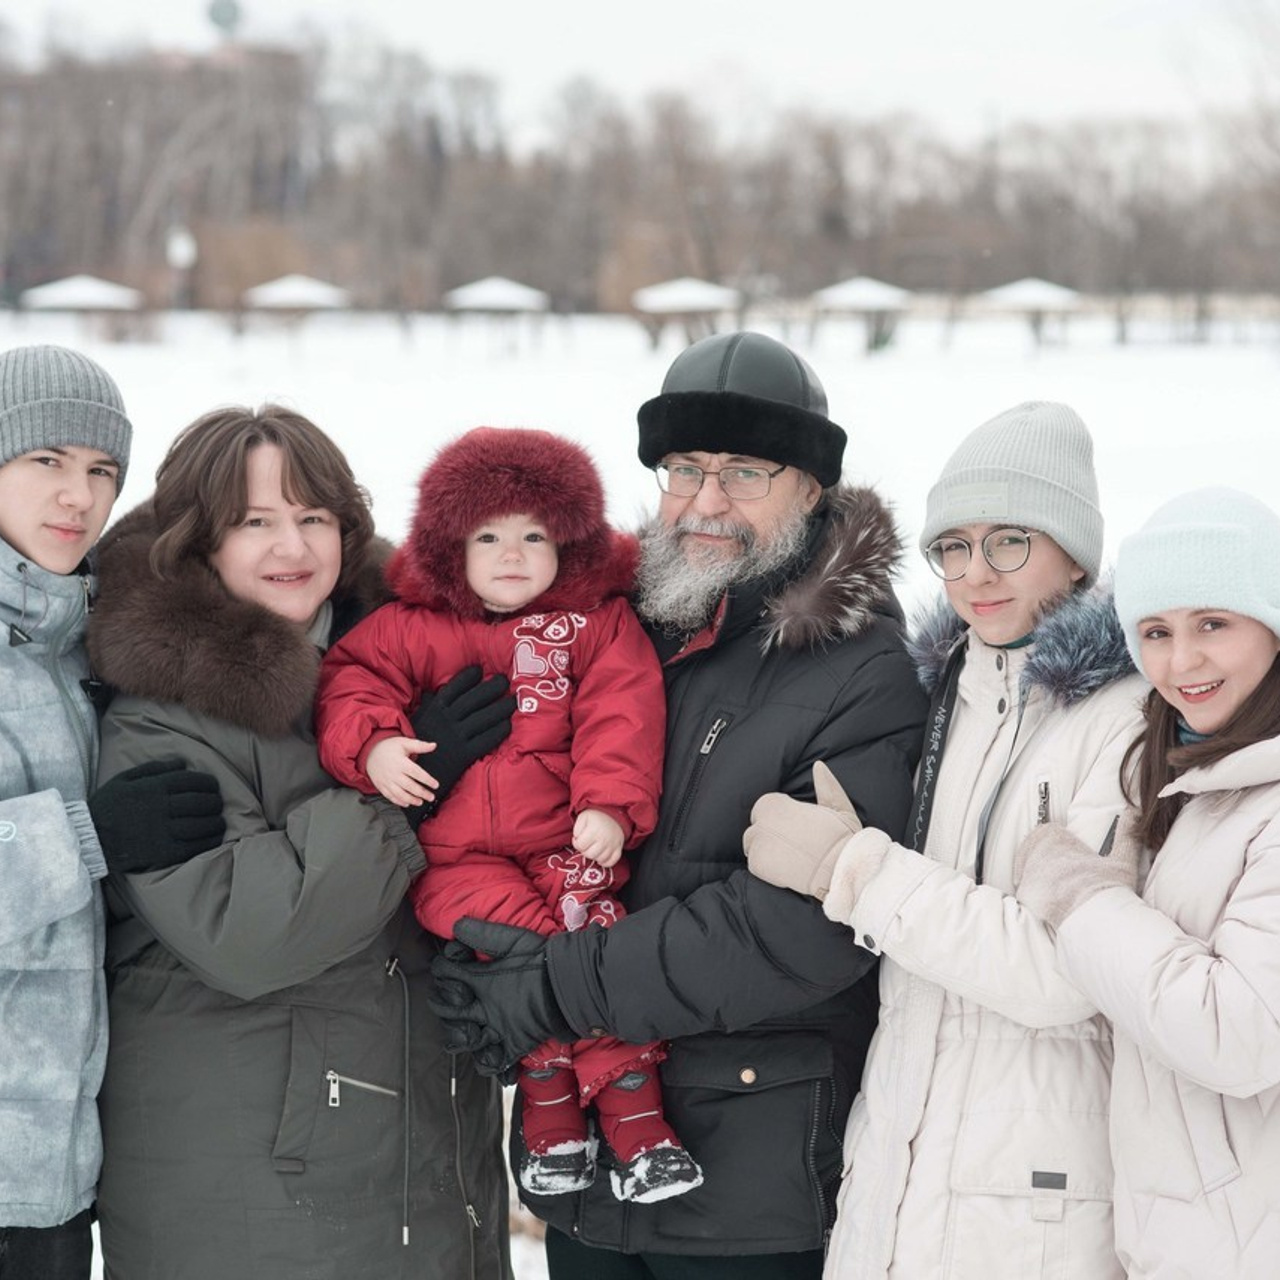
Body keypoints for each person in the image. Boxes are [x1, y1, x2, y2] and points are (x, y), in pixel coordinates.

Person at [429, 331, 929, 1279]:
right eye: (684, 469)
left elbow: (800, 928)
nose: (707, 502)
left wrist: (550, 986)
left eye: (745, 472)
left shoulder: (863, 673)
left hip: (751, 1180)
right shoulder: (605, 629)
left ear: (812, 490)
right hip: (584, 1174)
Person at [83, 406, 512, 1280]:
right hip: (249, 1194)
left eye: (314, 517)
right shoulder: (161, 723)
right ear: (200, 542)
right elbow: (252, 932)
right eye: (256, 522)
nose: (294, 547)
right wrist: (402, 798)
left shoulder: (392, 674)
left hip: (403, 1170)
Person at [744, 401, 1148, 1277]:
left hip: (1031, 1195)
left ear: (1073, 551)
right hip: (897, 1167)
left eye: (1010, 540)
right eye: (953, 546)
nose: (976, 572)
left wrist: (852, 870)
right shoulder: (944, 696)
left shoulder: (1121, 720)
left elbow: (1061, 973)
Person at [316, 426, 704, 1205]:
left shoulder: (595, 623)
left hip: (565, 843)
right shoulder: (408, 624)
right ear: (449, 547)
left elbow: (621, 712)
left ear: (570, 544)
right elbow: (351, 684)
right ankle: (551, 1116)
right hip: (455, 863)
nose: (512, 554)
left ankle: (636, 1127)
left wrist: (609, 804)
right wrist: (380, 748)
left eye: (535, 535)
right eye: (487, 535)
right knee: (523, 960)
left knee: (587, 957)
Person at [1014, 486, 1280, 1279]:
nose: (1181, 662)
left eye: (1213, 624)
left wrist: (1083, 900)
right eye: (1155, 632)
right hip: (1188, 1233)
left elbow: (1238, 1034)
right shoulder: (1202, 781)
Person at [0, 345, 132, 1280]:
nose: (76, 497)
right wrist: (88, 837)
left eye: (101, 471)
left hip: (58, 1178)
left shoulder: (95, 640)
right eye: (46, 461)